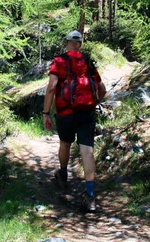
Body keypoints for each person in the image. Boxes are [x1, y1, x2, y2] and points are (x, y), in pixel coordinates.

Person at [42, 30, 106, 211]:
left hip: (65, 113)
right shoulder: (87, 62)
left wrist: (46, 112)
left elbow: (52, 87)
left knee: (65, 143)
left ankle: (63, 175)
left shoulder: (59, 61)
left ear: (67, 43)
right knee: (87, 150)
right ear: (80, 44)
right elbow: (102, 88)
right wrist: (95, 102)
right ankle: (90, 195)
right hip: (87, 112)